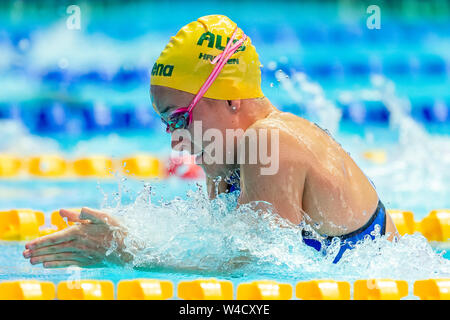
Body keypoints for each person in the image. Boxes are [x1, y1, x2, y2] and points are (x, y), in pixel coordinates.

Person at [23, 15, 397, 268]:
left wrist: (126, 252)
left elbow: (260, 272)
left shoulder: (270, 141)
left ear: (232, 99)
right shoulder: (228, 159)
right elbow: (225, 251)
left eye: (180, 119)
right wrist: (126, 233)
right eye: (167, 125)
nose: (176, 141)